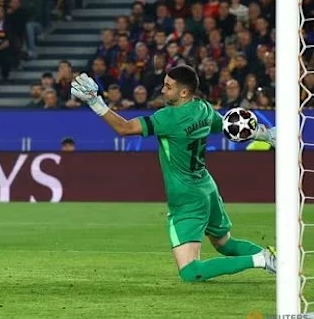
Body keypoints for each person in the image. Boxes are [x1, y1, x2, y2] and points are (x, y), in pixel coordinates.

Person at [69, 65, 277, 282]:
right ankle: (277, 260)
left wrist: (95, 102)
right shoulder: (203, 108)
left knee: (190, 271)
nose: (162, 90)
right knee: (226, 244)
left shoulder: (167, 118)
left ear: (183, 92)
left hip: (186, 196)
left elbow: (125, 128)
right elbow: (228, 126)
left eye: (168, 87)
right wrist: (264, 134)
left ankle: (261, 259)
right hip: (207, 187)